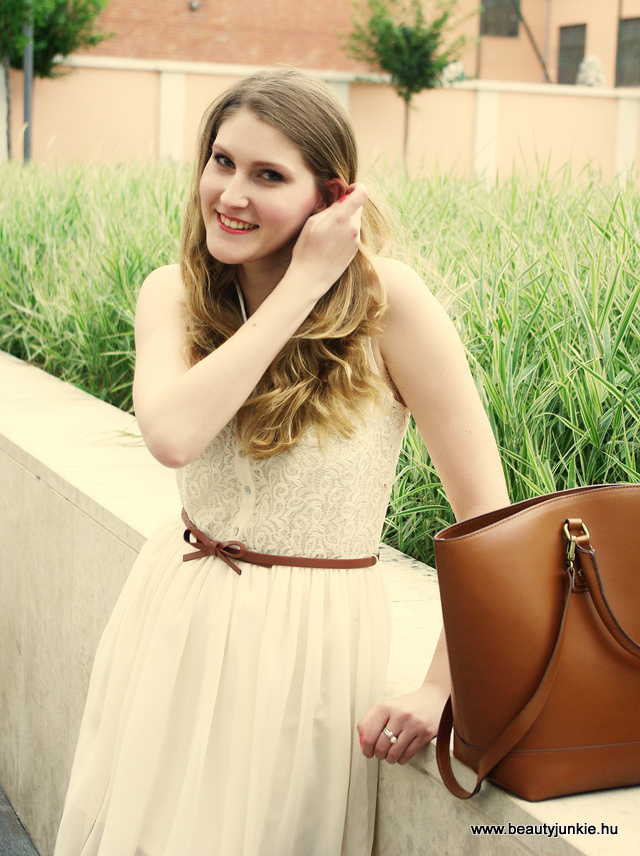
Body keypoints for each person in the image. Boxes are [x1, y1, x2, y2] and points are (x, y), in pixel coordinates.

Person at [53, 67, 509, 856]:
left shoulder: (389, 303)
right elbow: (172, 435)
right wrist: (302, 284)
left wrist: (443, 684)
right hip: (175, 617)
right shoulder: (174, 294)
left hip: (309, 648)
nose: (231, 194)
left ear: (330, 198)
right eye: (222, 161)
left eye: (268, 175)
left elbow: (488, 516)